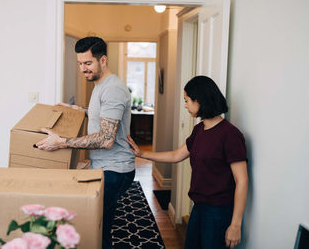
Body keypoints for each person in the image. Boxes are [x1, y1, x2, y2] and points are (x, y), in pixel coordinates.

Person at [35, 36, 135, 249]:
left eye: (88, 63)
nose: (83, 69)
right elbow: (103, 116)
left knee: (89, 226)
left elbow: (107, 139)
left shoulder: (113, 89)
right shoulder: (101, 85)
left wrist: (62, 142)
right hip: (105, 168)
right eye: (80, 63)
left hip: (115, 171)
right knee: (100, 227)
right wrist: (78, 111)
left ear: (103, 60)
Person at [127, 76, 248, 249]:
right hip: (198, 207)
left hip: (219, 212)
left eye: (187, 100)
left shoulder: (230, 135)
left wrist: (235, 224)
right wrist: (142, 153)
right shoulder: (199, 130)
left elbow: (242, 181)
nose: (185, 105)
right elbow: (176, 155)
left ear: (200, 100)